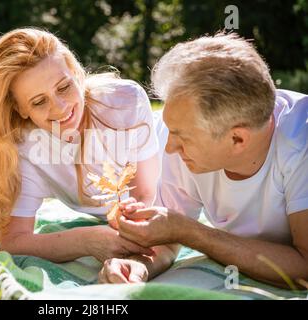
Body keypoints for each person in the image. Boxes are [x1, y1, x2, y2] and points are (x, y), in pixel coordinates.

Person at [99, 33, 308, 289]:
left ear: (238, 140)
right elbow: (166, 237)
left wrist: (191, 232)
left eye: (182, 137)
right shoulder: (181, 136)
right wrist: (138, 266)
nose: (170, 147)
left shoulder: (301, 144)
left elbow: (304, 270)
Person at [0, 28, 177, 265]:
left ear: (76, 73)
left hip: (174, 160)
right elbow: (13, 241)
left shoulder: (125, 100)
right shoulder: (23, 146)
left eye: (63, 87)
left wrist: (129, 227)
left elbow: (145, 192)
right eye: (39, 101)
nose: (60, 108)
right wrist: (86, 241)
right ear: (20, 109)